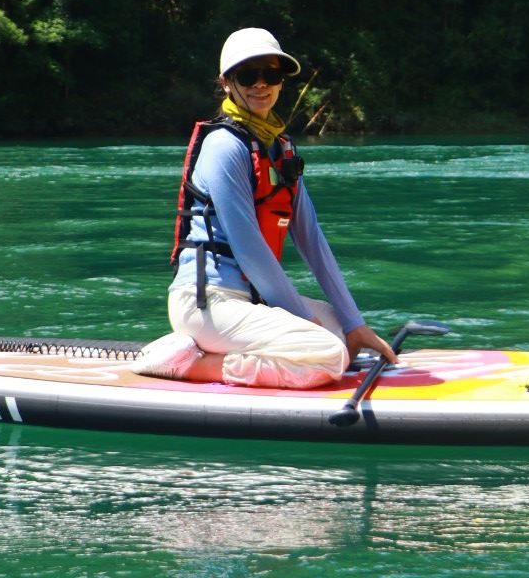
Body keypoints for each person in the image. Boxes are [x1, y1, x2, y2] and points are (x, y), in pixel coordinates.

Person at [136, 27, 396, 389]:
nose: (261, 84)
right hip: (208, 303)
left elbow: (311, 238)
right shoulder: (224, 147)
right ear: (227, 82)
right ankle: (190, 365)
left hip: (250, 302)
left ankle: (220, 353)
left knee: (342, 338)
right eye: (248, 75)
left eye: (271, 74)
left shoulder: (279, 148)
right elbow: (249, 248)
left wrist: (355, 323)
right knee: (329, 353)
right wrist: (302, 316)